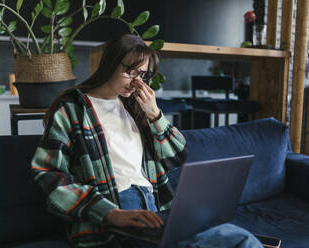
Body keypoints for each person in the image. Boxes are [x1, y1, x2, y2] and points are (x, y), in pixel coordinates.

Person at [31, 33, 262, 248]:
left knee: (239, 238)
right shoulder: (72, 108)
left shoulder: (136, 108)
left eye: (142, 75)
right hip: (113, 212)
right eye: (131, 72)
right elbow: (48, 173)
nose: (136, 82)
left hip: (156, 211)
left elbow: (177, 156)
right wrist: (108, 212)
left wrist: (155, 114)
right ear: (110, 63)